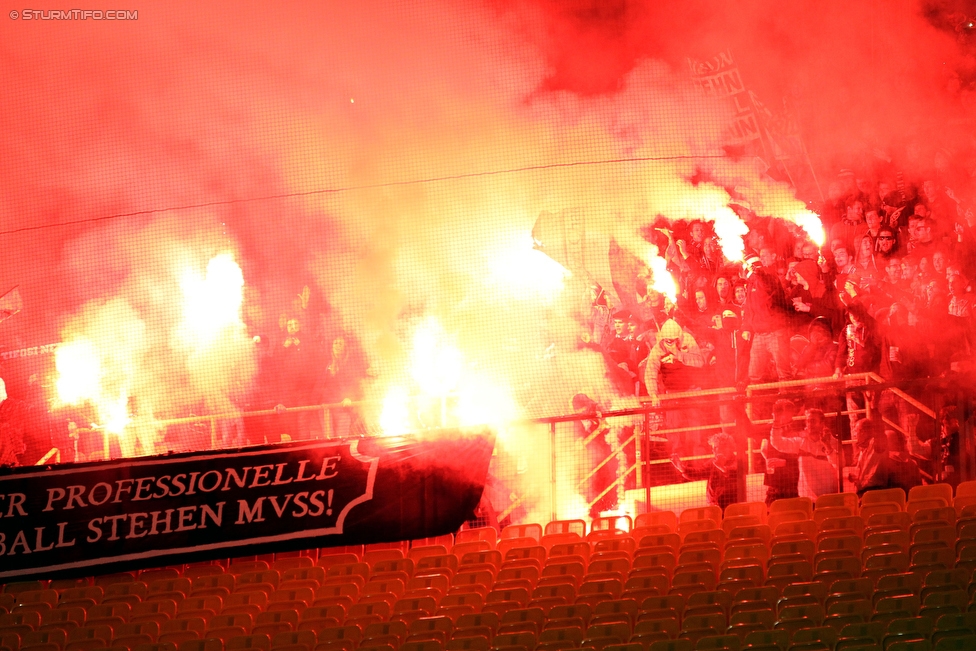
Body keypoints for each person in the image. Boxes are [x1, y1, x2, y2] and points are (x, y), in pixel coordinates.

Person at [741, 254, 793, 383]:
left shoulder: (769, 278)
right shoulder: (750, 285)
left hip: (775, 333)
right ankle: (757, 403)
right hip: (759, 334)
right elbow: (749, 309)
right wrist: (746, 328)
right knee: (754, 374)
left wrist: (759, 274)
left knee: (784, 372)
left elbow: (768, 286)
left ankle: (786, 401)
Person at [771, 407, 840, 499]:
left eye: (813, 421)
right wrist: (776, 422)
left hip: (829, 496)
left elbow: (840, 464)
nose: (809, 424)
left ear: (822, 424)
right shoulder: (800, 442)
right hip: (807, 497)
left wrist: (827, 446)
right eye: (808, 421)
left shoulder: (833, 442)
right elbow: (778, 443)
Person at [671, 432, 739, 511]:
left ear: (726, 448)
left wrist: (722, 468)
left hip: (731, 506)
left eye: (716, 447)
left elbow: (733, 472)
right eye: (712, 447)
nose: (713, 450)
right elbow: (699, 472)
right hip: (714, 505)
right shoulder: (713, 462)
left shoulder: (737, 461)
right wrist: (683, 469)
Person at [761, 399, 800, 505]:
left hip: (789, 482)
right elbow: (763, 449)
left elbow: (802, 457)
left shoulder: (795, 429)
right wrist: (770, 460)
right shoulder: (771, 427)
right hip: (776, 481)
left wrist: (784, 462)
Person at [848, 418, 888, 497]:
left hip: (875, 493)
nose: (854, 434)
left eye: (856, 431)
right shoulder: (862, 450)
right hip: (864, 492)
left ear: (863, 432)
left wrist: (874, 409)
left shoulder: (875, 445)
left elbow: (880, 434)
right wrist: (856, 478)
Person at [885, 429, 922, 493]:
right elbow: (919, 485)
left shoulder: (883, 463)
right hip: (912, 497)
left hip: (892, 498)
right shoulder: (912, 462)